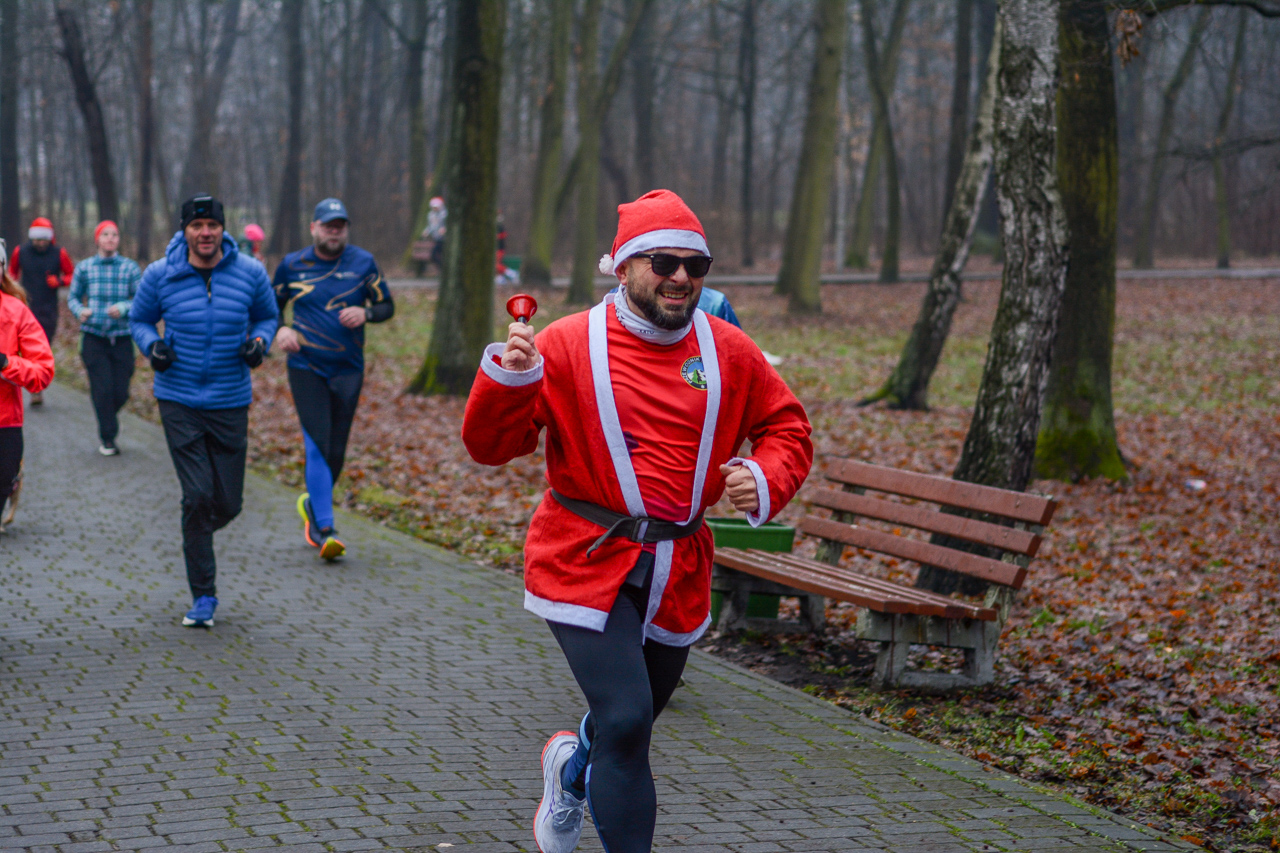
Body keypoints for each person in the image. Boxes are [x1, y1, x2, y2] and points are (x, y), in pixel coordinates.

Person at [461, 189, 813, 853]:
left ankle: (569, 770)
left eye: (695, 264)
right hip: (581, 556)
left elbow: (787, 425)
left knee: (631, 718)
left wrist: (765, 474)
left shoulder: (731, 351)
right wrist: (511, 381)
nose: (681, 276)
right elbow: (490, 447)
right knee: (626, 718)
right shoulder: (564, 344)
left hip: (678, 567)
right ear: (622, 268)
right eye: (663, 261)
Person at [130, 194, 278, 628]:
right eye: (197, 226)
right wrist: (152, 346)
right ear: (185, 231)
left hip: (231, 399)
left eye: (212, 225)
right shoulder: (161, 274)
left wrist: (259, 344)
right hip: (178, 397)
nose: (205, 233)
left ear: (222, 229)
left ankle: (194, 535)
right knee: (197, 496)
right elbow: (140, 321)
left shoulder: (249, 272)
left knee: (228, 504)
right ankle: (204, 596)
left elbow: (268, 316)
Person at [273, 198, 393, 561]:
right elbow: (268, 307)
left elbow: (387, 306)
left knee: (336, 449)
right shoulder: (292, 265)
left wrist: (366, 311)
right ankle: (326, 529)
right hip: (305, 364)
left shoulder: (363, 263)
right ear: (314, 228)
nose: (334, 230)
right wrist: (280, 329)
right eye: (327, 225)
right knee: (317, 442)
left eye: (340, 225)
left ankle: (313, 503)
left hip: (348, 368)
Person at [68, 221, 143, 456]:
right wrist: (81, 311)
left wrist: (123, 307)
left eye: (115, 235)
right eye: (106, 235)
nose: (111, 239)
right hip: (93, 338)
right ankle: (108, 437)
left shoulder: (130, 268)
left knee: (120, 392)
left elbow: (141, 299)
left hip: (122, 338)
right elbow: (73, 298)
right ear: (97, 239)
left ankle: (107, 417)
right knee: (102, 389)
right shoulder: (85, 268)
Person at [0, 240, 56, 531]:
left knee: (3, 477)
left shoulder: (16, 312)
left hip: (5, 421)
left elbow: (43, 372)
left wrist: (6, 364)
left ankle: (11, 484)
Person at [6, 216, 73, 405]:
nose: (40, 243)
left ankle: (37, 385)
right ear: (31, 238)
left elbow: (71, 274)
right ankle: (34, 389)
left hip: (48, 307)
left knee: (43, 346)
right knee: (26, 347)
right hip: (25, 306)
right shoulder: (21, 251)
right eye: (36, 239)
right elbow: (11, 274)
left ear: (49, 238)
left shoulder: (59, 253)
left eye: (43, 239)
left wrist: (59, 282)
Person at [421, 196, 446, 273]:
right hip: (437, 239)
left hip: (443, 239)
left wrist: (444, 229)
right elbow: (431, 226)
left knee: (435, 254)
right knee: (434, 256)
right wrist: (426, 232)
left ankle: (443, 270)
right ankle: (443, 270)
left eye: (436, 207)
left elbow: (446, 225)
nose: (435, 208)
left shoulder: (444, 214)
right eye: (434, 207)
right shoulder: (431, 215)